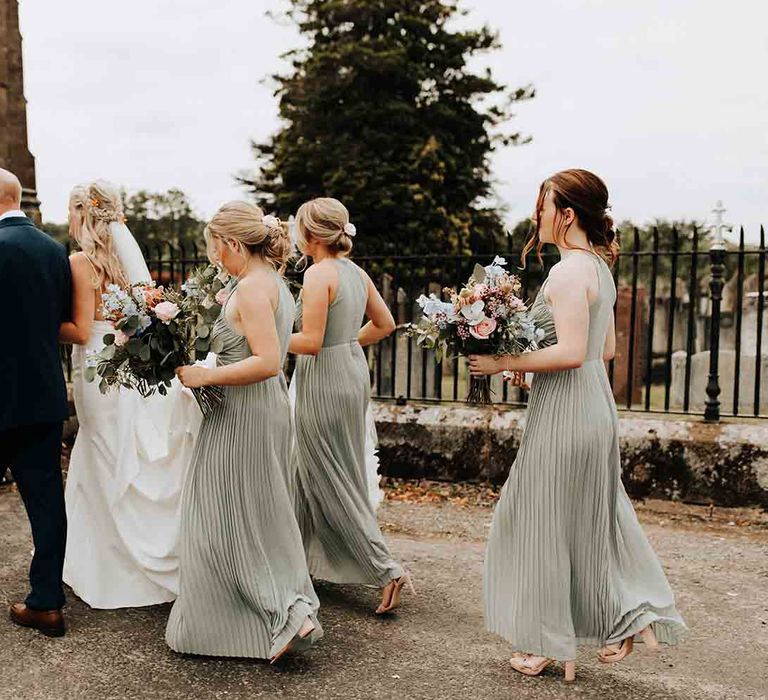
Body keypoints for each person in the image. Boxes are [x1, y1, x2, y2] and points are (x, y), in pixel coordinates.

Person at [469, 169, 686, 683]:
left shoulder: (567, 273)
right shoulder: (599, 269)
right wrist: (531, 366)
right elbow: (601, 352)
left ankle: (548, 644)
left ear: (567, 214)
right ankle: (623, 618)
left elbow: (569, 353)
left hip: (566, 415)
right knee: (586, 522)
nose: (536, 214)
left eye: (544, 205)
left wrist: (503, 363)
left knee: (534, 523)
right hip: (591, 407)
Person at [167, 202, 321, 661]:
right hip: (259, 410)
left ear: (233, 243)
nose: (214, 257)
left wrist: (204, 376)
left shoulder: (252, 288)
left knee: (218, 517)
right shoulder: (272, 281)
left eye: (215, 247)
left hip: (243, 415)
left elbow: (268, 361)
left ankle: (283, 614)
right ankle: (281, 612)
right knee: (257, 514)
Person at [60, 180, 199, 608]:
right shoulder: (124, 260)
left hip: (98, 368)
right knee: (121, 451)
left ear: (82, 214)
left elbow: (82, 331)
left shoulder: (80, 263)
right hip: (129, 369)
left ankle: (107, 560)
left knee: (103, 452)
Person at [289, 197, 413, 615]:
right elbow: (386, 324)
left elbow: (309, 341)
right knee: (317, 466)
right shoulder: (355, 272)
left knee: (326, 471)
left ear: (310, 234)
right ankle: (297, 561)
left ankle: (385, 567)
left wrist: (265, 340)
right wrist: (347, 343)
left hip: (323, 376)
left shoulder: (317, 274)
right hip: (351, 371)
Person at [0, 168, 70, 637]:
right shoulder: (54, 250)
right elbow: (61, 321)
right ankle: (46, 602)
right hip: (42, 394)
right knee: (46, 501)